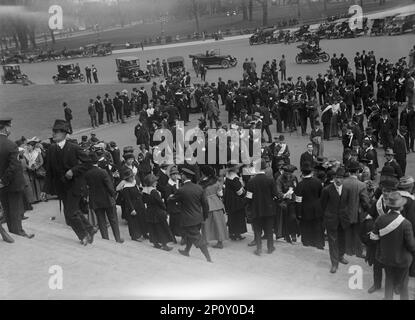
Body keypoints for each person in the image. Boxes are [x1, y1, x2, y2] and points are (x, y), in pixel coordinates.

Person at [41, 119, 96, 245]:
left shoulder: (74, 148)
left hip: (75, 186)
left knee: (70, 214)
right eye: (53, 131)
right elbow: (49, 172)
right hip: (62, 188)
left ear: (64, 133)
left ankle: (83, 236)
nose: (54, 134)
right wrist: (44, 190)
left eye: (57, 132)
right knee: (73, 211)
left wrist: (73, 170)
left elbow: (88, 163)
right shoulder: (51, 150)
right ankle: (90, 229)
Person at [370, 191, 415, 300]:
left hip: (387, 258)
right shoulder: (406, 223)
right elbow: (412, 246)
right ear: (400, 207)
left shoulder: (380, 219)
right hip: (403, 260)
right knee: (404, 284)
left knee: (389, 280)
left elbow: (374, 238)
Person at [0, 117, 33, 242]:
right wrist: (3, 180)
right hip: (12, 184)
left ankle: (13, 233)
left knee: (7, 211)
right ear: (6, 128)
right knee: (15, 210)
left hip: (1, 186)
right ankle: (18, 233)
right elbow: (13, 166)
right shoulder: (11, 145)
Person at [173, 167, 212, 262]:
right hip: (198, 218)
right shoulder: (199, 188)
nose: (180, 176)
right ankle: (186, 251)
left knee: (197, 238)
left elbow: (173, 199)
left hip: (188, 220)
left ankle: (208, 258)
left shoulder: (181, 190)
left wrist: (171, 197)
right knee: (192, 235)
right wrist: (205, 216)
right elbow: (205, 204)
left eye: (181, 175)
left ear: (184, 176)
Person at [85, 152, 123, 243]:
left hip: (95, 200)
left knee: (101, 221)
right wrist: (113, 196)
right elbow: (109, 186)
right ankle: (117, 238)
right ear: (97, 162)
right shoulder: (103, 172)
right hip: (107, 199)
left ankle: (105, 239)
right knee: (113, 219)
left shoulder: (87, 174)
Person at [321, 167, 350, 273]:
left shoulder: (346, 189)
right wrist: (326, 219)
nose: (338, 180)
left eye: (341, 178)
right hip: (331, 220)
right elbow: (322, 206)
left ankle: (340, 256)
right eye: (337, 177)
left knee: (342, 240)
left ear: (344, 179)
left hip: (343, 220)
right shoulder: (327, 190)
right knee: (333, 242)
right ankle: (334, 263)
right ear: (333, 178)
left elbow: (347, 204)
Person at [246, 159, 278, 256]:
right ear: (264, 168)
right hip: (269, 209)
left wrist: (249, 206)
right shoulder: (270, 180)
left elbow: (249, 197)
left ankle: (259, 248)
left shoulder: (251, 181)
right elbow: (275, 195)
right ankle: (270, 247)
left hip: (256, 209)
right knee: (269, 229)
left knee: (257, 229)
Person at [343, 160, 370, 258]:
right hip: (356, 214)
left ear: (348, 172)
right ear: (358, 171)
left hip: (344, 213)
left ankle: (347, 250)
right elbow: (365, 202)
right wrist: (368, 211)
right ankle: (358, 252)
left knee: (346, 232)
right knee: (357, 233)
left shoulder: (343, 183)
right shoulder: (361, 185)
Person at [295, 161, 324, 249]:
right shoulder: (318, 182)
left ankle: (307, 242)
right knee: (317, 226)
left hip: (305, 209)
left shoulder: (300, 185)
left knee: (306, 226)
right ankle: (318, 243)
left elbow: (298, 201)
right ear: (311, 172)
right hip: (316, 208)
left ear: (302, 173)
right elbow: (321, 195)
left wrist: (298, 213)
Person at [142, 173, 174, 251]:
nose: (156, 182)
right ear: (152, 182)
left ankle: (155, 243)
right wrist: (165, 208)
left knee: (153, 228)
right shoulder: (154, 192)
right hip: (157, 212)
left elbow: (144, 200)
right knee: (162, 228)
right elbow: (160, 202)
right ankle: (164, 244)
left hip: (149, 211)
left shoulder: (145, 190)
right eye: (155, 181)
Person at [199, 165, 228, 249]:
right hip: (217, 204)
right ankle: (220, 242)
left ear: (203, 173)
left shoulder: (201, 183)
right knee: (219, 224)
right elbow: (220, 194)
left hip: (205, 204)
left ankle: (205, 240)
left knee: (206, 224)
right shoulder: (216, 181)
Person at [116, 168, 148, 241]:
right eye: (131, 177)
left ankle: (144, 233)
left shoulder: (133, 183)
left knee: (142, 219)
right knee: (134, 222)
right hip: (132, 205)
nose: (133, 178)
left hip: (139, 203)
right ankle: (135, 236)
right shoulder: (125, 187)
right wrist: (132, 209)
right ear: (127, 178)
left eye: (133, 176)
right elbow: (128, 200)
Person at [275, 164, 299, 243]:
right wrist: (284, 195)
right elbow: (278, 191)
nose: (289, 175)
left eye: (290, 173)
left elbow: (297, 188)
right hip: (283, 202)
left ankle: (293, 234)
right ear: (284, 172)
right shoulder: (279, 179)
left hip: (292, 201)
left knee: (293, 217)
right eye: (287, 173)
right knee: (284, 220)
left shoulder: (294, 178)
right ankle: (285, 234)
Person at [223, 163, 247, 241]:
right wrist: (245, 194)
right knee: (238, 217)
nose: (238, 168)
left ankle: (232, 233)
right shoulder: (235, 178)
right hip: (236, 200)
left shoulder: (227, 176)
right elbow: (239, 191)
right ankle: (237, 234)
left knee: (232, 216)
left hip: (229, 199)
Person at [24, 137, 44, 203]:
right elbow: (25, 163)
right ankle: (35, 198)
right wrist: (28, 167)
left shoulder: (37, 153)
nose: (28, 147)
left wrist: (37, 166)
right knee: (33, 185)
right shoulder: (25, 154)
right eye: (27, 146)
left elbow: (41, 161)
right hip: (31, 171)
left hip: (38, 170)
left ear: (32, 147)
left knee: (40, 184)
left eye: (29, 146)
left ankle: (42, 197)